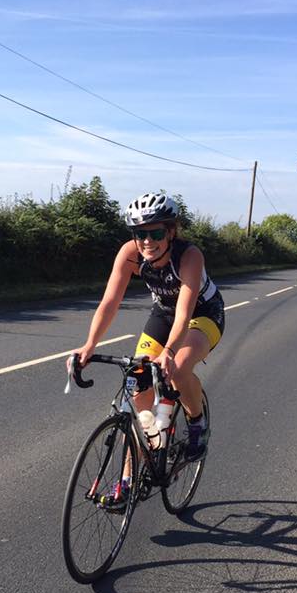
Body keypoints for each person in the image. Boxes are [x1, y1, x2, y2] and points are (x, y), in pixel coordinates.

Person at [74, 192, 225, 500]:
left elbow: (185, 311)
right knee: (139, 381)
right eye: (140, 233)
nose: (146, 241)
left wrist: (169, 352)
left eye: (155, 232)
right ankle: (138, 465)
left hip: (202, 313)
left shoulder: (189, 256)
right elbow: (109, 302)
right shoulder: (129, 253)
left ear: (171, 232)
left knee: (179, 368)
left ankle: (197, 421)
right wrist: (89, 345)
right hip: (163, 314)